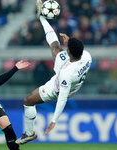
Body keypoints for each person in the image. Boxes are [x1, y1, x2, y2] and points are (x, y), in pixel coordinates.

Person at [16, 0, 92, 145]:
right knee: (56, 46)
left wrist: (53, 122)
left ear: (69, 53)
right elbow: (74, 50)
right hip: (73, 79)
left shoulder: (65, 73)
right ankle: (43, 18)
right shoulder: (87, 56)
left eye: (68, 48)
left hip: (58, 88)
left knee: (28, 101)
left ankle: (30, 134)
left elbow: (62, 99)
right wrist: (70, 42)